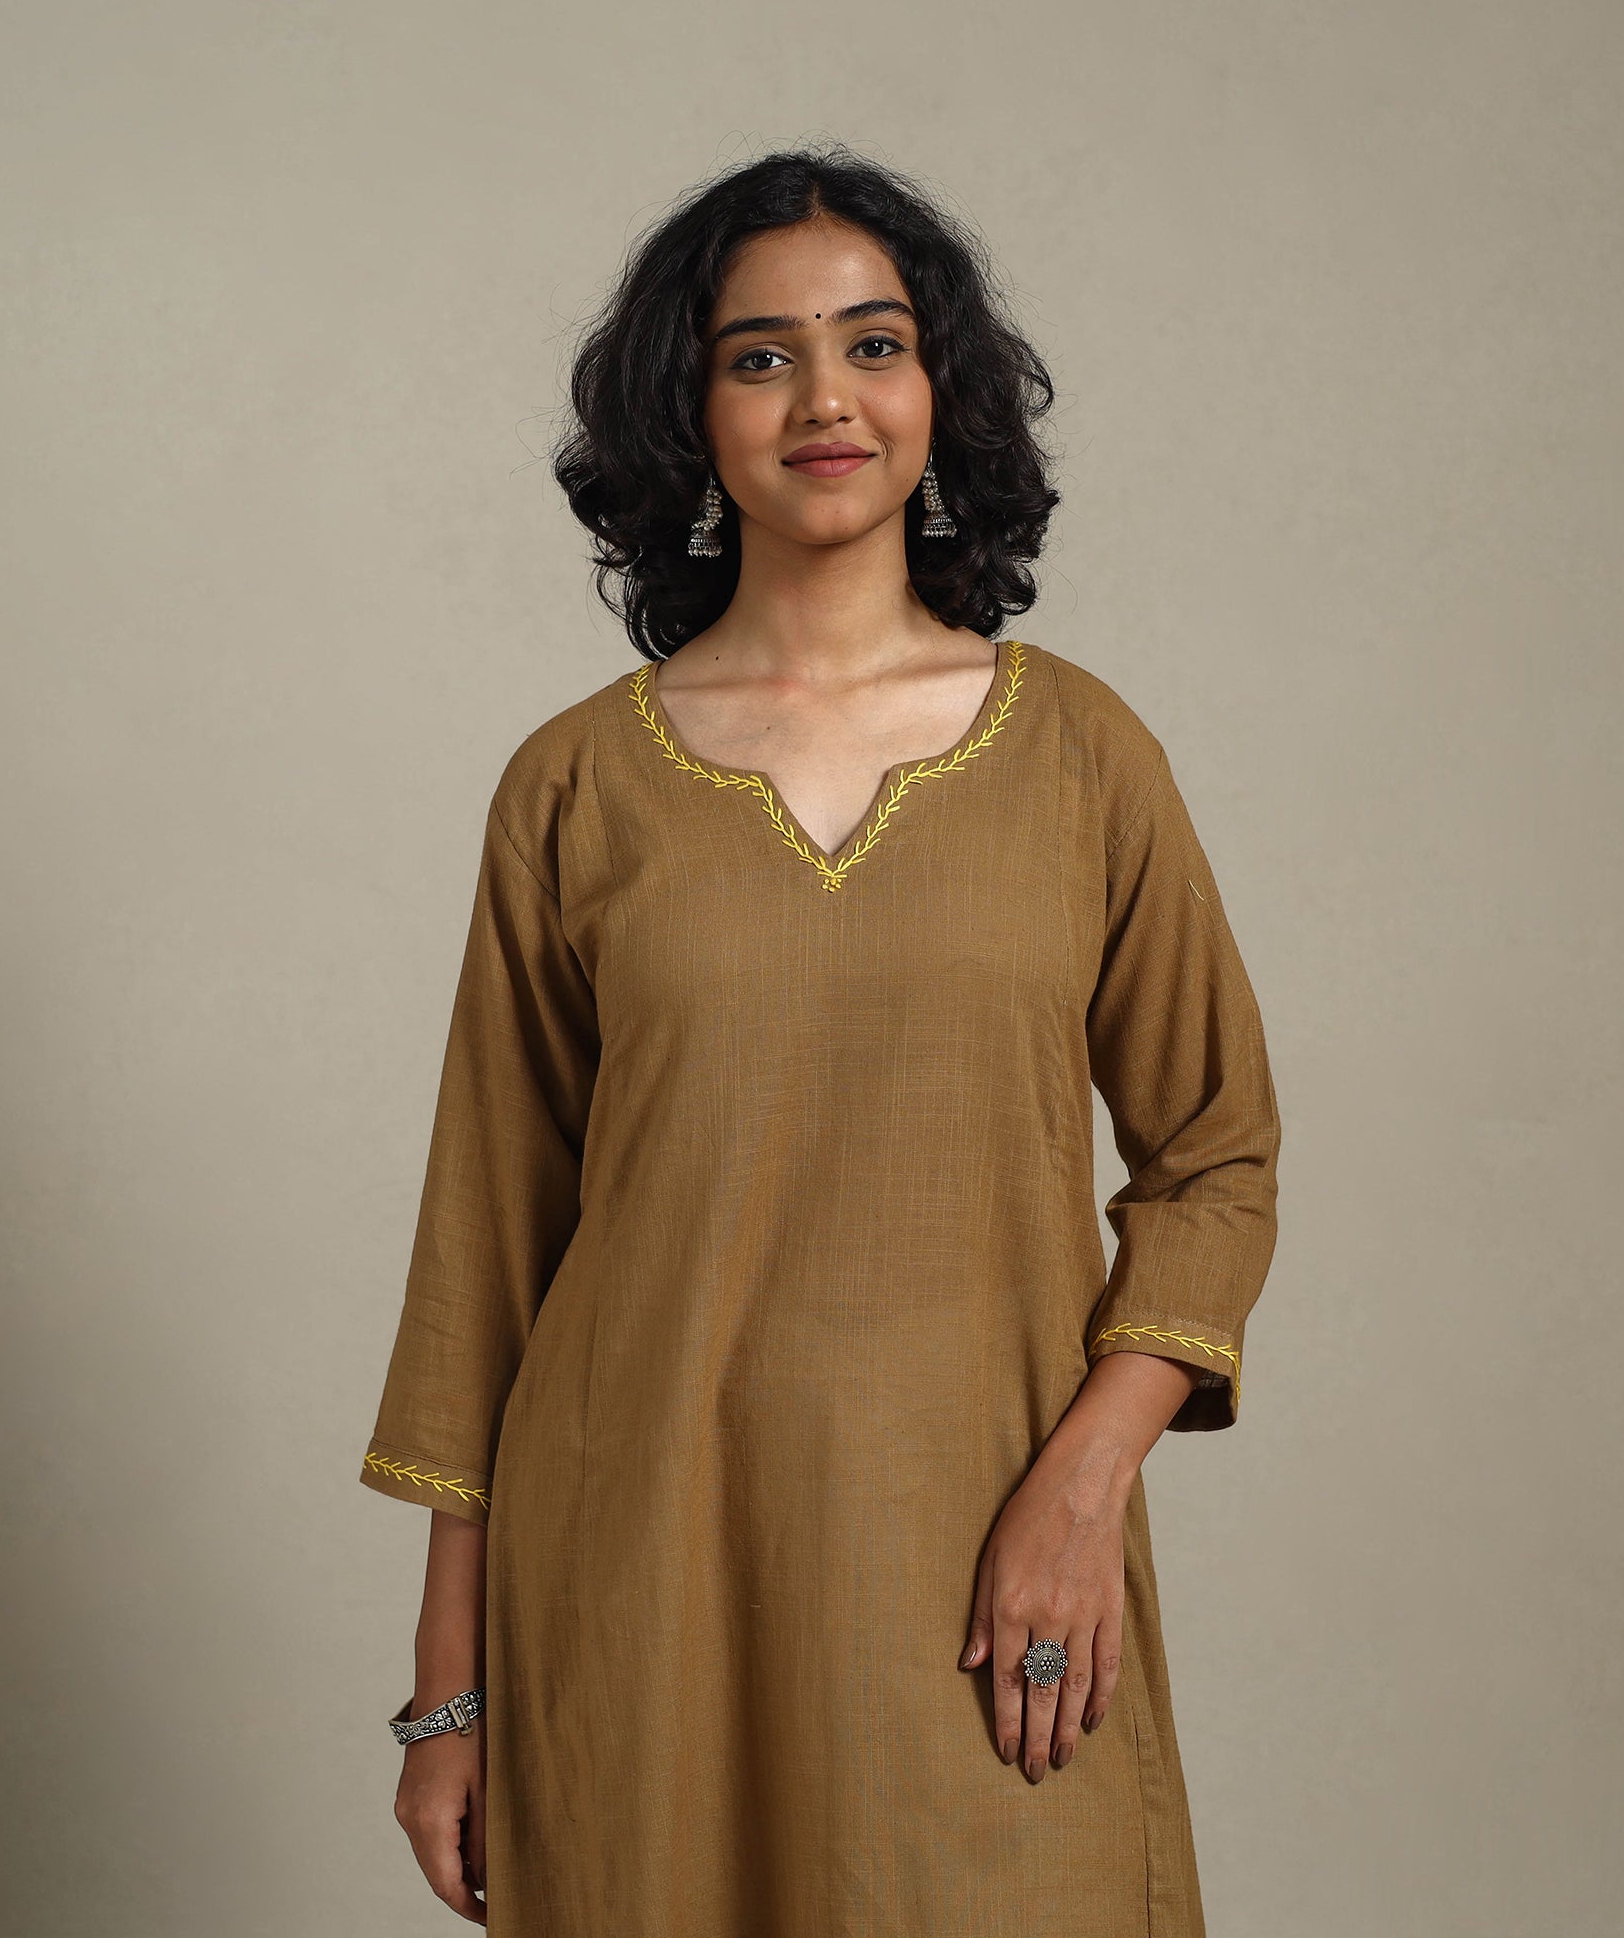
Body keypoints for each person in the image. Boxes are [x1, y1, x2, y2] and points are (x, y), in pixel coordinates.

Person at [358, 143, 1282, 1937]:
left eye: (874, 344)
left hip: (984, 1564)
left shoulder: (1081, 755)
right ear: (689, 412)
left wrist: (1084, 1485)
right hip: (640, 1579)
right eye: (759, 356)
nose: (825, 399)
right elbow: (489, 1252)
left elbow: (1218, 1157)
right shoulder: (576, 785)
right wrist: (447, 1694)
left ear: (942, 390)